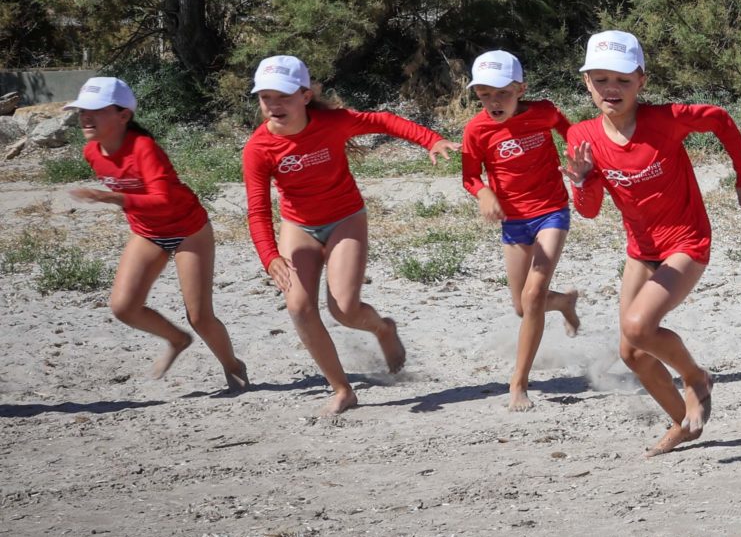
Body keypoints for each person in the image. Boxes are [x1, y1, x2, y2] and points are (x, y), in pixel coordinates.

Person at [562, 31, 741, 454]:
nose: (611, 90)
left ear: (641, 82)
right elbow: (592, 209)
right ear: (586, 83)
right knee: (632, 353)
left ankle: (696, 377)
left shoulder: (667, 120)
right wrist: (580, 180)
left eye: (622, 81)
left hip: (686, 241)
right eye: (600, 80)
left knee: (638, 326)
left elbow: (722, 120)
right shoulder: (582, 136)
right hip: (641, 249)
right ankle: (682, 424)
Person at [241, 55, 454, 416]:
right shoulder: (258, 149)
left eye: (283, 96)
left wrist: (430, 140)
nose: (274, 105)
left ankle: (383, 328)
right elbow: (257, 210)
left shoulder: (334, 123)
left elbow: (384, 121)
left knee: (344, 309)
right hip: (298, 225)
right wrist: (270, 256)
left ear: (305, 96)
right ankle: (342, 389)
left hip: (345, 219)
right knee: (299, 306)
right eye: (266, 98)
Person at [67, 76, 248, 389]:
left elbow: (163, 200)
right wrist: (120, 201)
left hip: (189, 230)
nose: (85, 116)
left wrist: (115, 198)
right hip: (148, 231)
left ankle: (233, 366)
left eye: (95, 110)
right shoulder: (92, 152)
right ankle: (177, 340)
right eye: (82, 109)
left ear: (123, 115)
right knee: (124, 307)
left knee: (200, 316)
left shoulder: (144, 148)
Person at [458, 50, 582, 411]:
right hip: (513, 221)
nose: (493, 102)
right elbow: (469, 175)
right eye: (484, 95)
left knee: (532, 296)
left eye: (502, 93)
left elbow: (569, 129)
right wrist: (482, 192)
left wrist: (575, 154)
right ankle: (564, 303)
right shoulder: (477, 129)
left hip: (551, 212)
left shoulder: (543, 111)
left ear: (521, 88)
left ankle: (518, 383)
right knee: (521, 305)